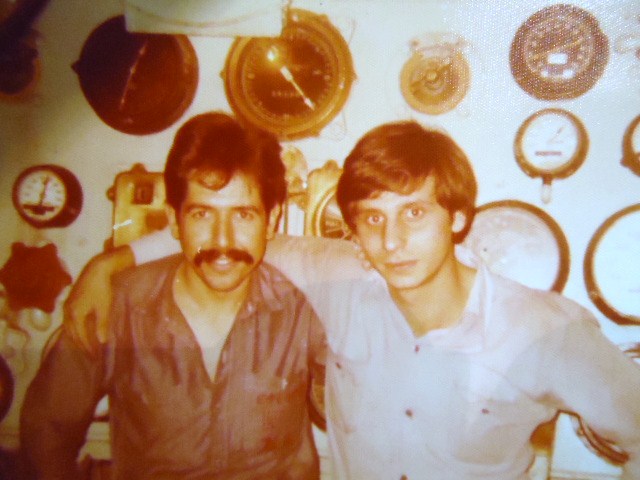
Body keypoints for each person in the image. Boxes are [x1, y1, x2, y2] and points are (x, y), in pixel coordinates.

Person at [62, 120, 640, 480]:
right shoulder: (339, 280)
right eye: (372, 219)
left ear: (459, 217)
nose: (392, 241)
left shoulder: (545, 330)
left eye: (414, 213)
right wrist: (114, 260)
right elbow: (232, 233)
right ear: (355, 232)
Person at [19, 112, 327, 480]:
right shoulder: (117, 307)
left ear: (272, 220)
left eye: (243, 215)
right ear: (174, 221)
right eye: (202, 214)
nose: (223, 240)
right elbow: (47, 435)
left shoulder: (305, 311)